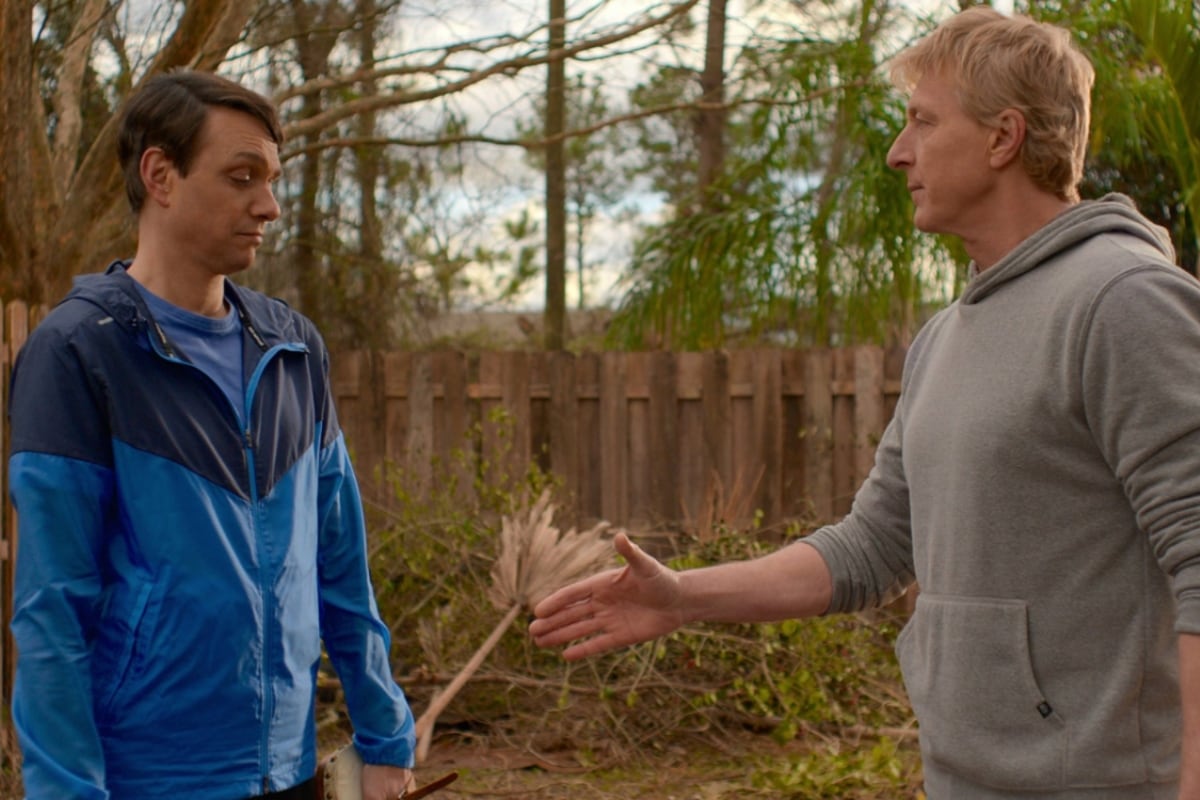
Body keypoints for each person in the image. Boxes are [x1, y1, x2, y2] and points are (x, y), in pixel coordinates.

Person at [531, 8, 1200, 799]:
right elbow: (873, 548)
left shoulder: (1124, 300)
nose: (897, 152)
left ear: (1003, 138)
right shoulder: (946, 336)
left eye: (922, 121)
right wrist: (682, 597)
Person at [8, 71, 416, 800]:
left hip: (288, 771)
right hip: (148, 780)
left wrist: (384, 734)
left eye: (272, 179)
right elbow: (51, 615)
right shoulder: (79, 352)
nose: (270, 205)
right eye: (242, 177)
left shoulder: (293, 349)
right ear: (160, 175)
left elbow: (341, 567)